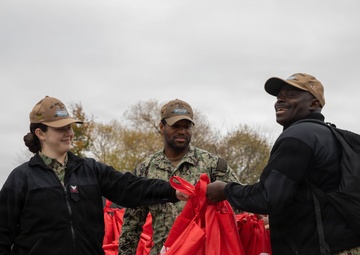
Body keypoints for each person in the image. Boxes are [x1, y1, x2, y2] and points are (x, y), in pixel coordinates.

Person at [0, 96, 188, 255]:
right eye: (60, 128)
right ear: (40, 133)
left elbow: (130, 187)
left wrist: (172, 190)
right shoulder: (20, 179)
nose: (69, 133)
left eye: (70, 127)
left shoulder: (90, 169)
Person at [206, 73, 360, 255]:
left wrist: (225, 190)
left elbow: (268, 197)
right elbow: (310, 197)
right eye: (279, 96)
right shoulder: (334, 136)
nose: (280, 101)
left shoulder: (298, 136)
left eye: (291, 95)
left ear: (314, 104)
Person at [119, 99, 240, 255]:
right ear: (162, 127)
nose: (182, 131)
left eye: (187, 126)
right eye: (176, 126)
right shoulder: (145, 169)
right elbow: (132, 223)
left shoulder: (213, 165)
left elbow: (238, 203)